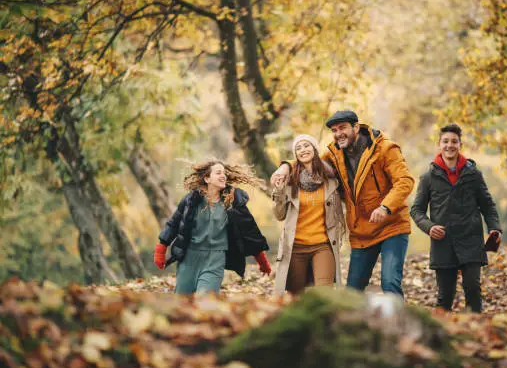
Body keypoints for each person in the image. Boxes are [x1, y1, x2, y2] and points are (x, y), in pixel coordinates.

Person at [271, 111, 415, 297]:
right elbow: (308, 159)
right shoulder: (334, 153)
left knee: (390, 282)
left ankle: (398, 325)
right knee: (352, 291)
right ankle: (352, 325)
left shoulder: (385, 149)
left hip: (392, 226)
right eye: (334, 130)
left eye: (343, 128)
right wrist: (285, 166)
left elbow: (405, 181)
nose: (338, 133)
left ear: (356, 127)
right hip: (362, 231)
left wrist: (385, 207)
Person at [410, 124, 502, 313]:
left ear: (460, 144)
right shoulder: (428, 177)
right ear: (439, 145)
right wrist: (429, 227)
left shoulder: (473, 174)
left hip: (471, 240)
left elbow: (488, 205)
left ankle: (477, 334)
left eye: (454, 141)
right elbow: (417, 210)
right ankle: (442, 338)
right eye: (445, 141)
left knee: (473, 289)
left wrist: (495, 228)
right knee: (445, 298)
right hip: (443, 242)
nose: (449, 145)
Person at [154, 159, 272, 294]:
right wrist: (161, 248)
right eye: (218, 173)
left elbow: (250, 232)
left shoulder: (233, 202)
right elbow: (174, 224)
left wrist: (262, 261)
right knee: (182, 302)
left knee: (204, 301)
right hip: (189, 258)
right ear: (207, 178)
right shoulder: (191, 200)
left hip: (215, 259)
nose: (223, 176)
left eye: (224, 173)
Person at [271, 134, 346, 294]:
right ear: (295, 155)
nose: (303, 150)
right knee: (295, 297)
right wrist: (278, 192)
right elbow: (279, 215)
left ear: (314, 149)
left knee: (324, 294)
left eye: (306, 146)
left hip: (323, 245)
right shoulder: (289, 180)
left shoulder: (330, 178)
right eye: (298, 148)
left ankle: (326, 320)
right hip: (295, 247)